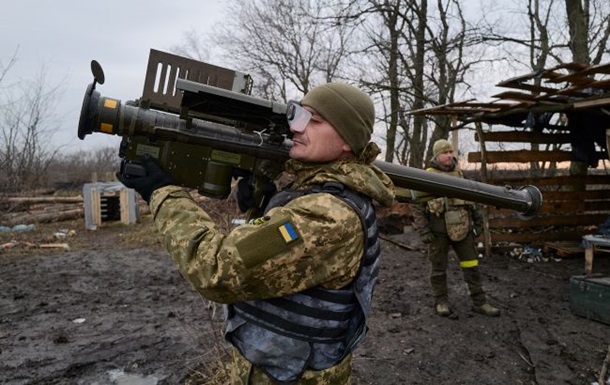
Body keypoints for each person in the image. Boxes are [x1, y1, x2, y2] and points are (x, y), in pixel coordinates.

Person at [117, 83, 395, 384]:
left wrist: (163, 193)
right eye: (299, 116)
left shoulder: (328, 216)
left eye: (314, 121)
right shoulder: (317, 193)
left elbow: (216, 269)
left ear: (347, 142)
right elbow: (280, 266)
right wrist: (264, 204)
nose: (297, 129)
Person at [410, 139, 500, 318]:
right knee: (438, 268)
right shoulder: (426, 176)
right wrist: (424, 230)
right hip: (438, 231)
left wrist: (478, 224)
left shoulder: (460, 175)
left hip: (463, 228)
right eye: (445, 152)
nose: (450, 155)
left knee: (471, 265)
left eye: (451, 152)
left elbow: (472, 200)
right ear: (437, 155)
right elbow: (417, 206)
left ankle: (480, 302)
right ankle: (441, 302)